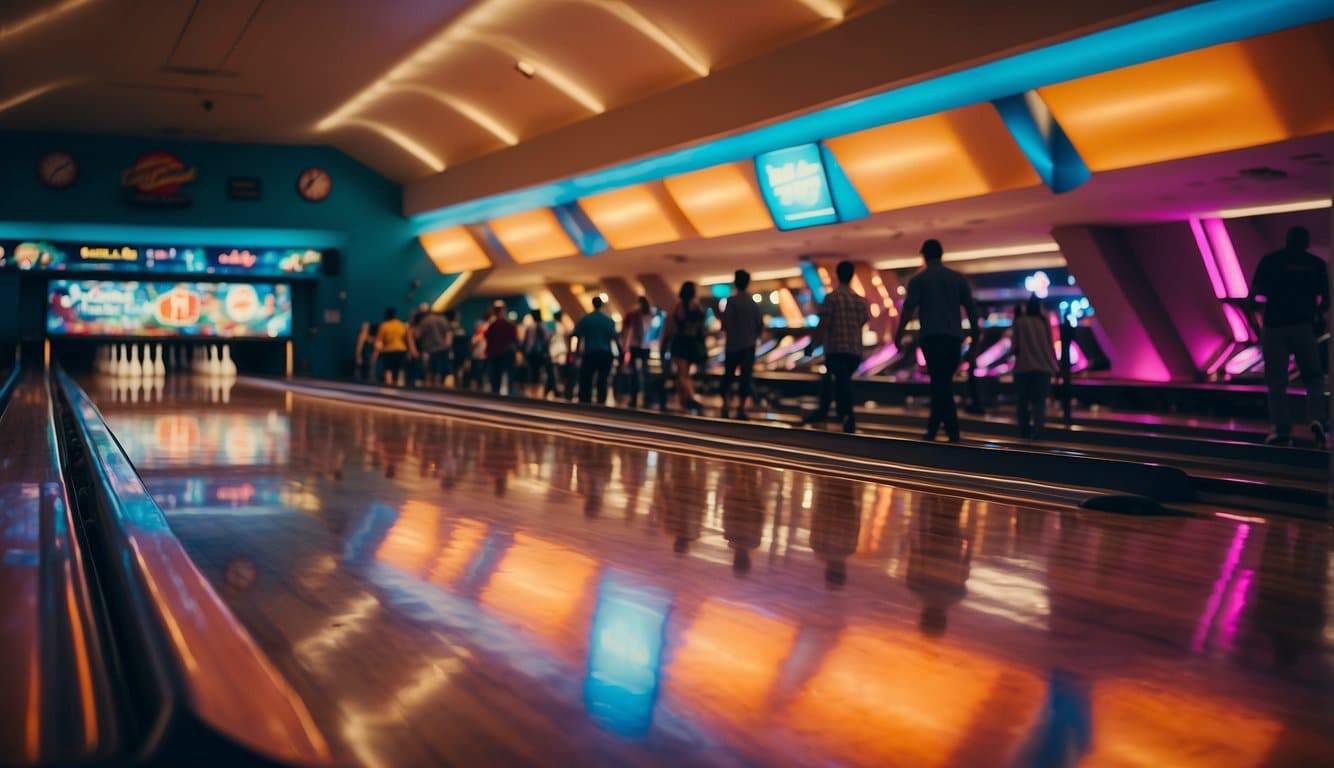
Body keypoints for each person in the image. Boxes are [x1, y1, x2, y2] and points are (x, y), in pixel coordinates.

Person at [1249, 226, 1328, 447]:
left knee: (1276, 381)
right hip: (1303, 326)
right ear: (1307, 242)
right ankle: (1317, 419)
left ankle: (1282, 429)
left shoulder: (1271, 260)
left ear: (1286, 240)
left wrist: (1257, 327)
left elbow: (1253, 295)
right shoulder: (1316, 265)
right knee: (1313, 377)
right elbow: (1326, 301)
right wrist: (1316, 318)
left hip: (1274, 327)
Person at [894, 239, 979, 442]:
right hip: (953, 340)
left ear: (924, 255)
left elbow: (908, 310)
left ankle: (945, 431)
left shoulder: (918, 280)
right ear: (941, 254)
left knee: (939, 383)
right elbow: (971, 309)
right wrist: (976, 336)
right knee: (943, 383)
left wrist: (899, 335)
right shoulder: (957, 279)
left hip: (931, 338)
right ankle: (940, 430)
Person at [802, 261, 870, 433]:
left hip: (836, 349)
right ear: (852, 275)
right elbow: (862, 322)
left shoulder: (831, 298)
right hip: (854, 351)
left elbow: (824, 324)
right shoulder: (861, 301)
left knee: (838, 380)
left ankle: (845, 415)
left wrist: (812, 345)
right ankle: (837, 413)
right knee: (840, 380)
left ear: (837, 275)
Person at [1011, 295, 1059, 439]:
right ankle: (1038, 433)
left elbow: (1015, 347)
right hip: (1042, 369)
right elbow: (1050, 348)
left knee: (1022, 403)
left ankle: (1024, 433)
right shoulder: (1043, 322)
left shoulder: (1019, 322)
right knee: (1039, 404)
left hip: (1022, 368)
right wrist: (1055, 368)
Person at [720, 270, 765, 420]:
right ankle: (741, 408)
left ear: (735, 282)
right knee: (745, 378)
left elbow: (725, 324)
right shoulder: (753, 304)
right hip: (748, 346)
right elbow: (760, 326)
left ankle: (726, 404)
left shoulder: (731, 302)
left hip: (732, 345)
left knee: (728, 376)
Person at [662, 281, 706, 413]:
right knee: (685, 373)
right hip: (692, 343)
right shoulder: (697, 307)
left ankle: (690, 398)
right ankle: (684, 401)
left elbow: (669, 327)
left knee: (682, 374)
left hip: (679, 342)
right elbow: (701, 328)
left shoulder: (677, 307)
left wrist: (664, 342)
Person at [572, 295, 619, 404]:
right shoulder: (608, 320)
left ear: (593, 304)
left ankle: (585, 400)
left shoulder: (586, 319)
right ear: (601, 305)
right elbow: (615, 337)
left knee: (586, 378)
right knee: (602, 379)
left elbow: (577, 336)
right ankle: (601, 400)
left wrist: (576, 353)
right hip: (605, 353)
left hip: (590, 353)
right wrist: (620, 352)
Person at [620, 296, 654, 408]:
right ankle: (647, 396)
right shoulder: (649, 314)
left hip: (635, 345)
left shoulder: (635, 313)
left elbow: (629, 329)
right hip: (646, 346)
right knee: (645, 371)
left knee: (634, 373)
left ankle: (634, 397)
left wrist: (626, 345)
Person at [483, 300, 518, 394]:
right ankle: (509, 396)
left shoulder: (492, 325)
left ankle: (497, 396)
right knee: (508, 378)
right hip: (506, 355)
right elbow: (514, 339)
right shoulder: (509, 325)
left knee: (495, 381)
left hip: (495, 355)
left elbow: (487, 337)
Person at [521, 309, 557, 396]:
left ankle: (535, 391)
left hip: (533, 353)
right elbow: (547, 339)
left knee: (534, 373)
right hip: (539, 353)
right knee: (540, 372)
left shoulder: (532, 327)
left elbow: (526, 342)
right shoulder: (543, 326)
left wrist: (525, 352)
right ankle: (538, 391)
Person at [374, 307, 413, 386]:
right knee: (398, 370)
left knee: (388, 369)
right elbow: (409, 339)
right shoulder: (402, 325)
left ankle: (388, 386)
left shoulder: (384, 326)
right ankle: (396, 385)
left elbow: (379, 342)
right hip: (401, 350)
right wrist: (412, 351)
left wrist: (376, 353)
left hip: (388, 350)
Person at [414, 306, 452, 387]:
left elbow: (418, 335)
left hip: (429, 349)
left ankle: (431, 387)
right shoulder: (442, 319)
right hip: (443, 348)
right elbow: (449, 332)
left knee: (430, 370)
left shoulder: (424, 321)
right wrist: (447, 345)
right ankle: (442, 386)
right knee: (443, 369)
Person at [549, 310, 575, 400]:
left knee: (556, 370)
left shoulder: (552, 326)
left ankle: (557, 388)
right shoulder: (561, 326)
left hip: (554, 350)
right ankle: (560, 388)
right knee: (561, 370)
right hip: (561, 350)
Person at [445, 309, 469, 387]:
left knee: (455, 371)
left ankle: (456, 388)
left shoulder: (450, 327)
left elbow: (448, 342)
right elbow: (449, 342)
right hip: (458, 352)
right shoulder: (455, 328)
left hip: (456, 352)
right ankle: (457, 387)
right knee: (456, 372)